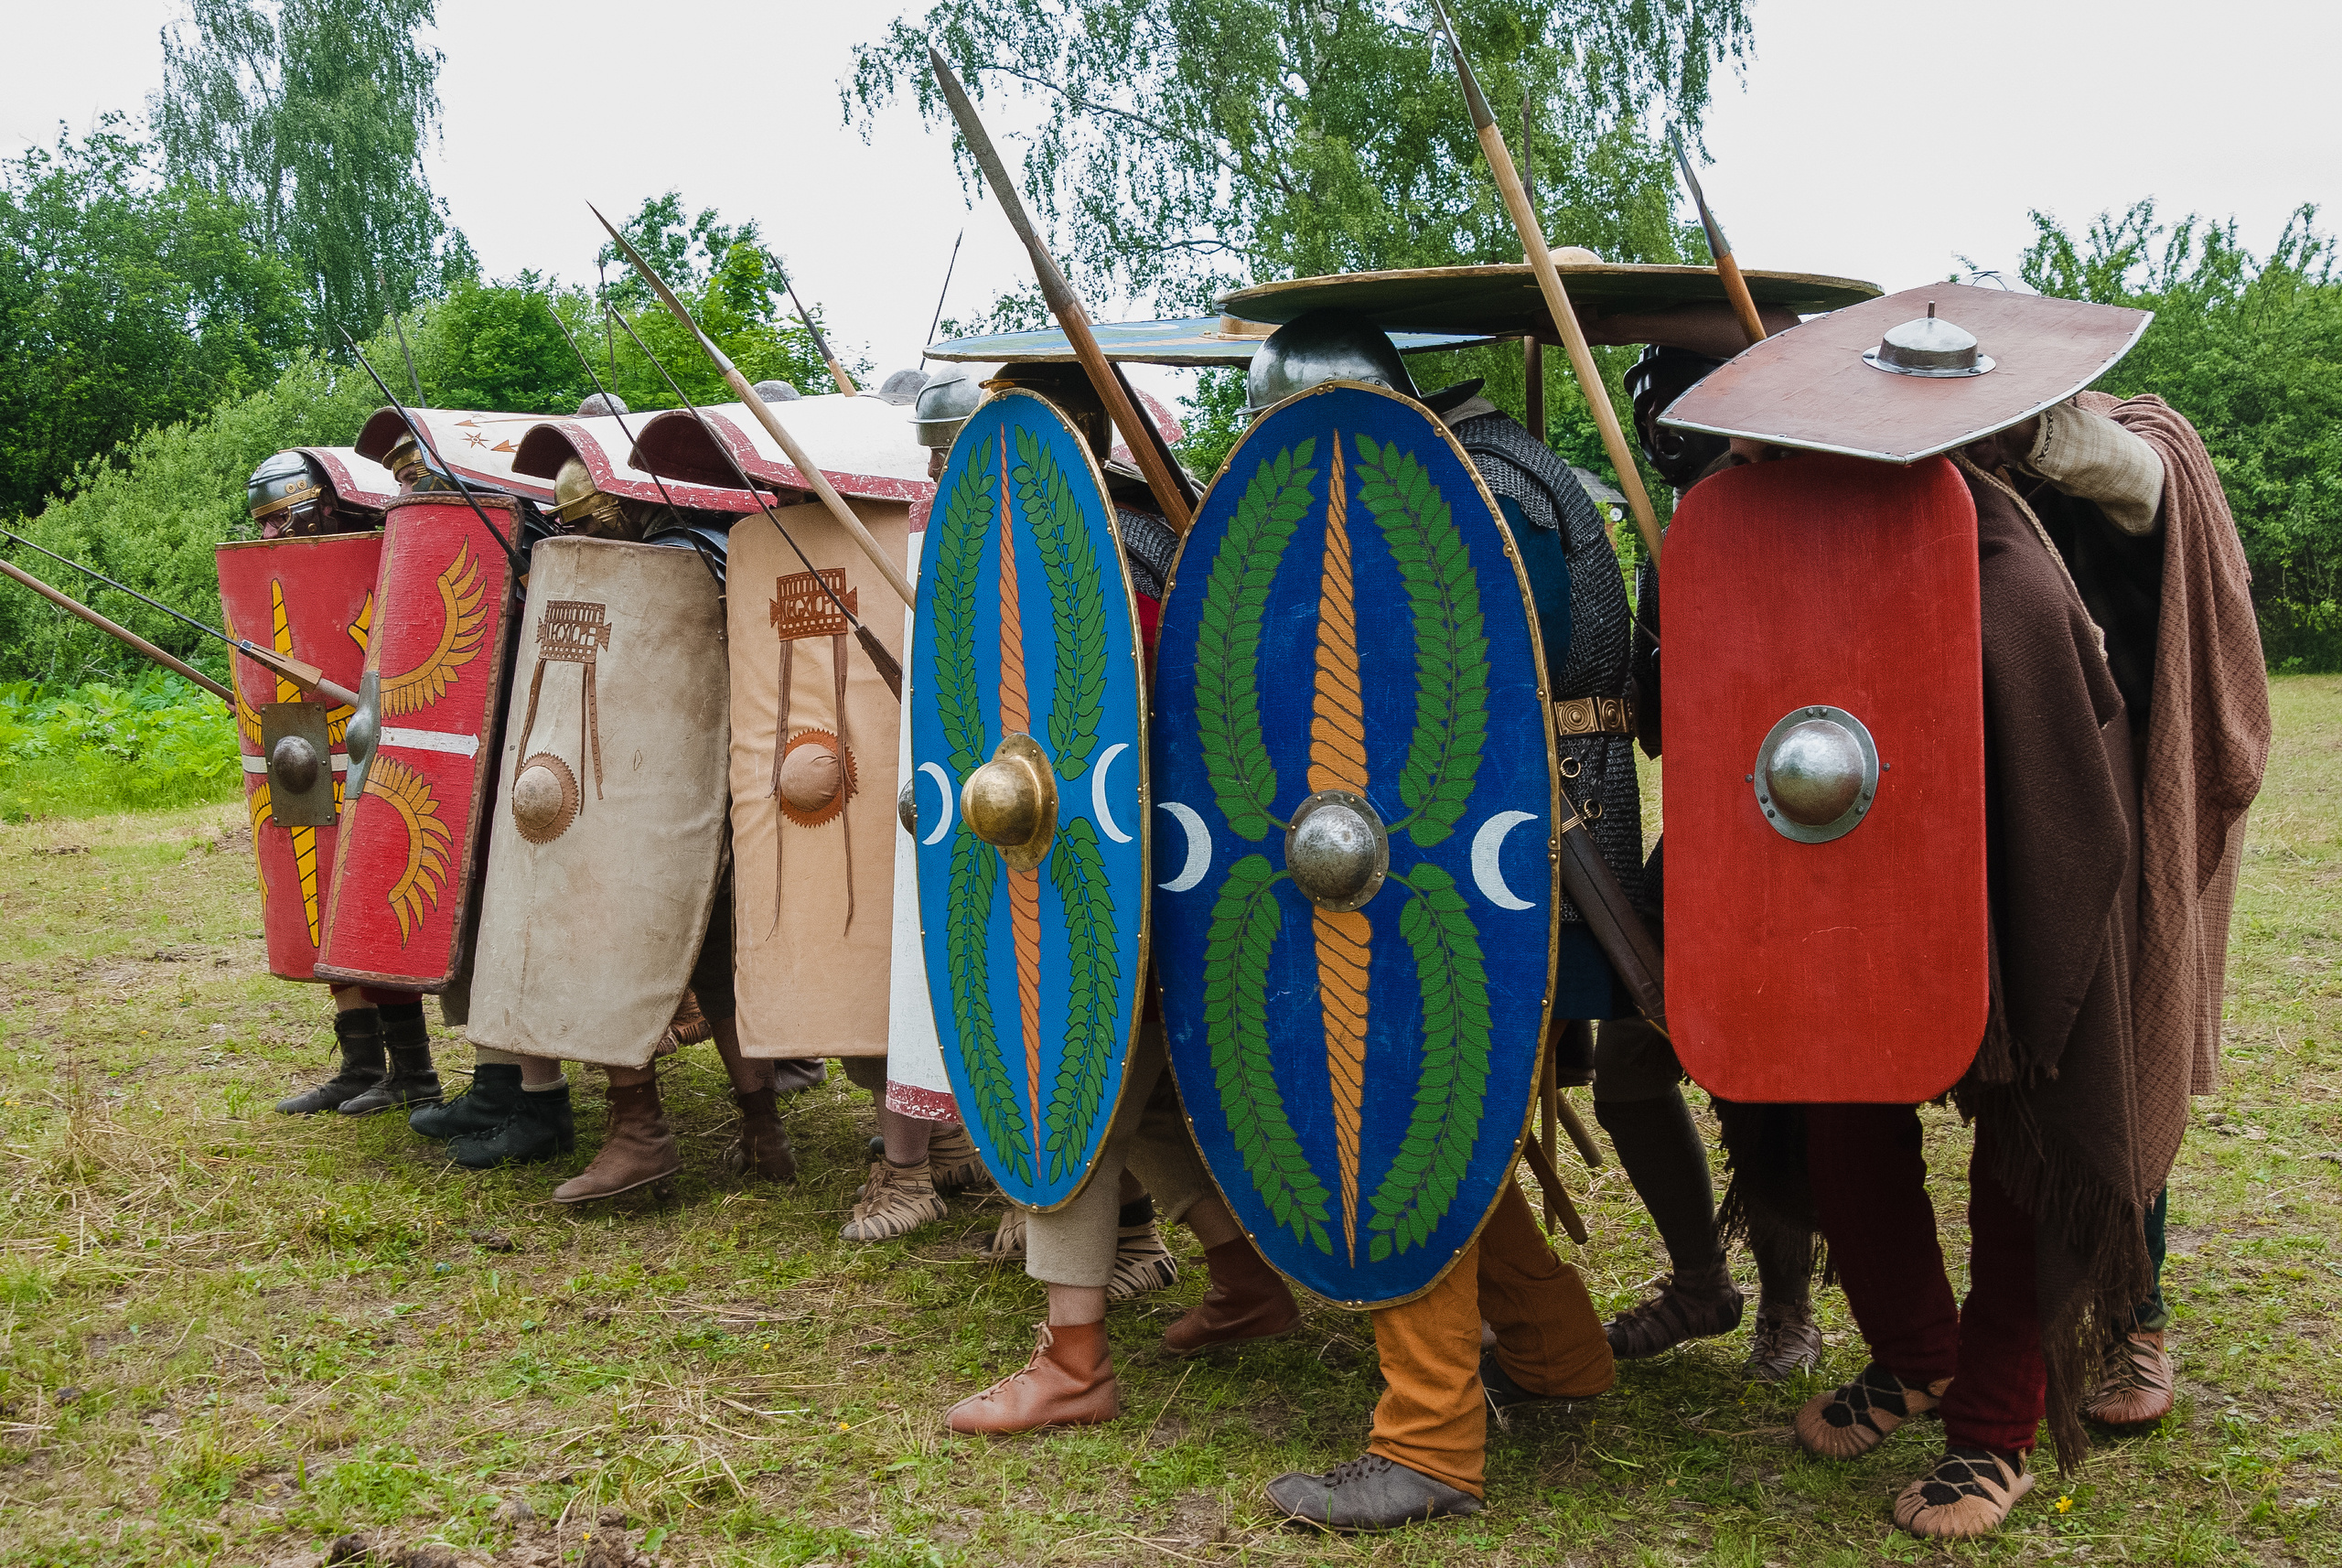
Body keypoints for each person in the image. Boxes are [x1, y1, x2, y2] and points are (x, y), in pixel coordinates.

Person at [1688, 298, 2272, 1539]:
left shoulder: (2054, 498)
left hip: (2045, 866)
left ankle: (2002, 1419)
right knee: (1833, 1086)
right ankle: (1916, 1343)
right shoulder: (1823, 511)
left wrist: (2069, 450)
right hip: (1859, 858)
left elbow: (2157, 543)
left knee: (2035, 1123)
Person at [1244, 313, 1617, 1530]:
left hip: (1478, 847)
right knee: (1449, 1114)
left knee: (1401, 1108)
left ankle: (1429, 1437)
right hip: (1548, 829)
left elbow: (1433, 687)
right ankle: (1559, 1349)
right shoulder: (1521, 464)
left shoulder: (1452, 489)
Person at [935, 361, 1301, 1438]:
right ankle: (1245, 1276)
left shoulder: (1109, 551)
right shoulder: (1137, 536)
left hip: (1123, 879)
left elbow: (1142, 725)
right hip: (1118, 871)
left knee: (1066, 1084)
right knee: (1133, 1104)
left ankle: (1074, 1362)